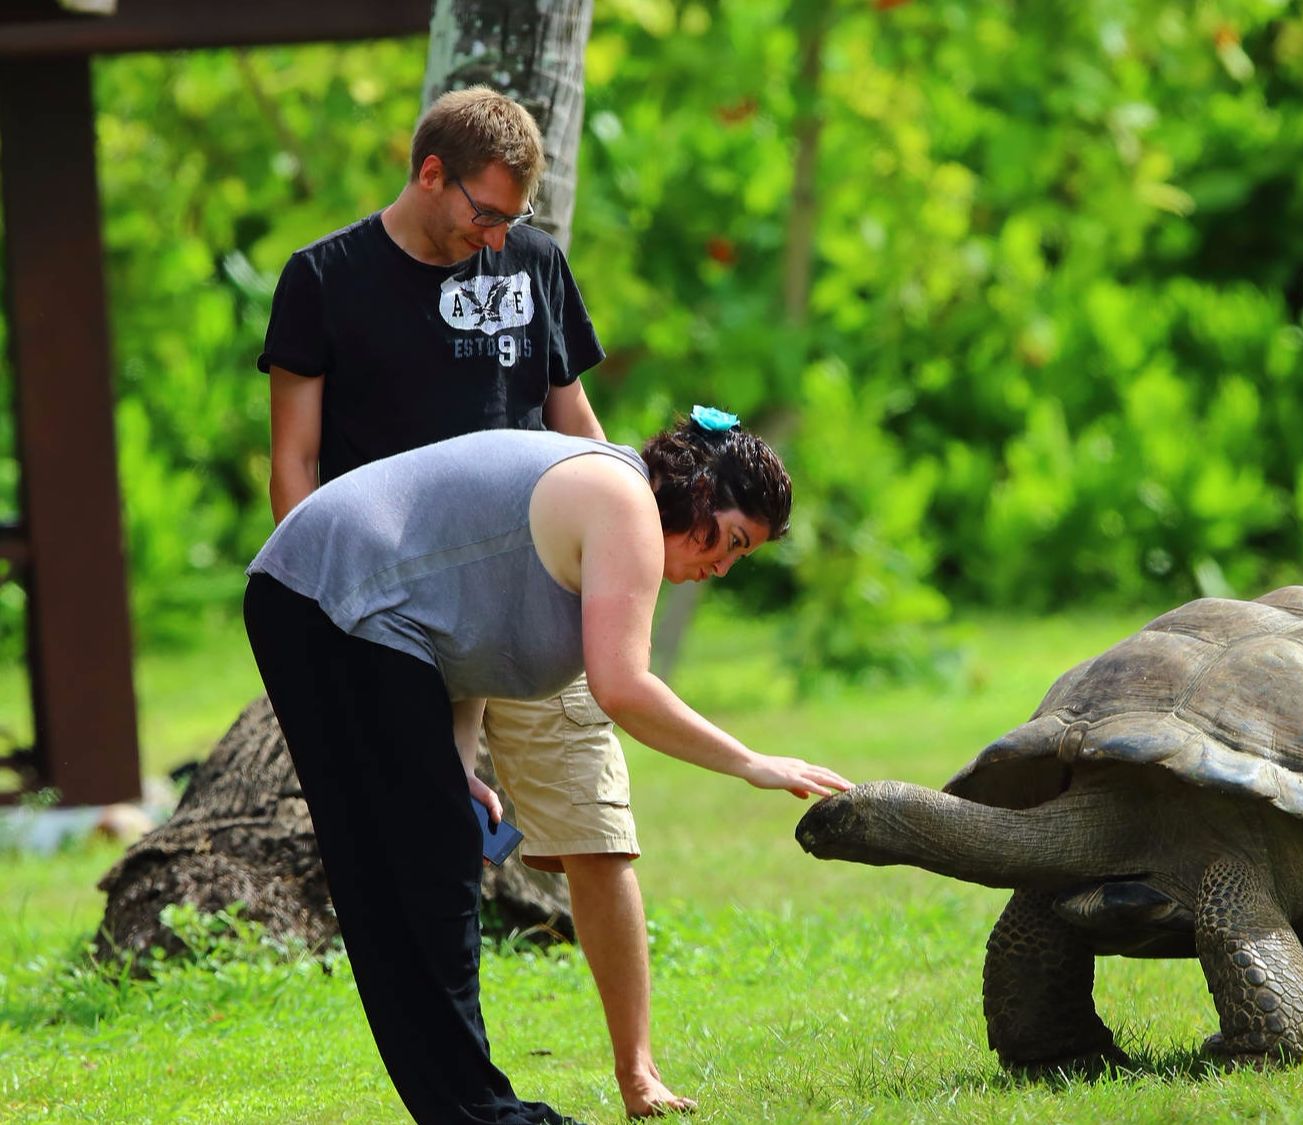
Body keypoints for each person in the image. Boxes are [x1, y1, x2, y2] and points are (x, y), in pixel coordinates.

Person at [259, 87, 693, 1115]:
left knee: (595, 828)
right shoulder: (324, 280)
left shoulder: (528, 262)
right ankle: (472, 1091)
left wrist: (626, 532)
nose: (494, 236)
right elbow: (295, 462)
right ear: (428, 175)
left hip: (547, 585)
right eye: (483, 214)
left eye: (509, 219)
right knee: (437, 851)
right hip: (403, 614)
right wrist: (326, 606)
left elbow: (572, 416)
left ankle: (637, 1072)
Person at [243, 413, 850, 1124]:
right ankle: (479, 1110)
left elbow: (460, 632)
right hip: (328, 594)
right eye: (731, 539)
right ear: (697, 488)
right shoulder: (626, 504)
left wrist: (453, 765)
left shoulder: (612, 502)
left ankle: (469, 1108)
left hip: (332, 602)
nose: (721, 564)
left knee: (422, 864)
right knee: (413, 874)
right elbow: (621, 686)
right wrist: (752, 762)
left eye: (741, 556)